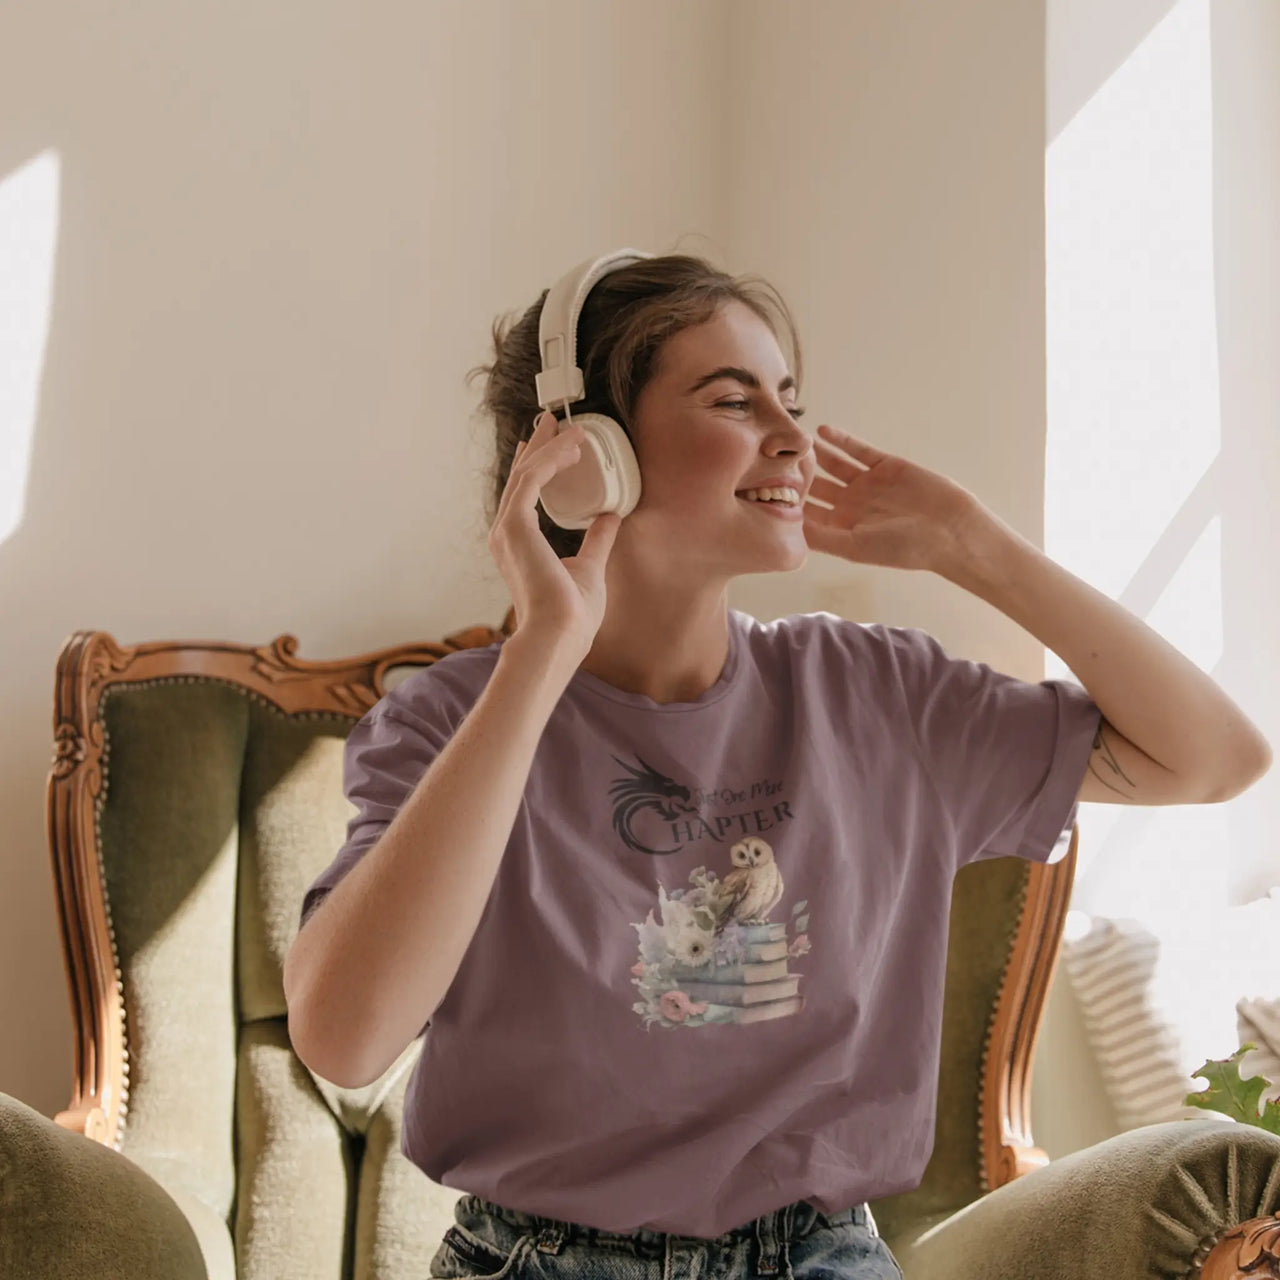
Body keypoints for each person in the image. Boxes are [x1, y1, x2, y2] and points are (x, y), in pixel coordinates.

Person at [283, 253, 1269, 1279]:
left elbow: (1212, 757)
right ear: (590, 453)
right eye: (734, 399)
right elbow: (344, 1036)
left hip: (820, 1259)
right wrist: (539, 655)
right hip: (533, 1260)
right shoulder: (453, 720)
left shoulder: (874, 693)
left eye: (790, 400)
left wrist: (969, 543)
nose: (794, 438)